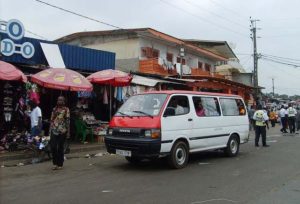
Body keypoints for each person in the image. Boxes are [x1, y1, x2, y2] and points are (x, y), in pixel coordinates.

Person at [49, 96, 70, 170]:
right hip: (54, 130)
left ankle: (60, 164)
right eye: (58, 100)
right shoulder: (54, 109)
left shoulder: (66, 109)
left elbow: (67, 121)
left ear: (64, 101)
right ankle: (55, 163)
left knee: (60, 147)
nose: (59, 101)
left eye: (61, 100)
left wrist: (68, 132)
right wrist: (50, 130)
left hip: (63, 130)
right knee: (53, 146)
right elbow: (51, 120)